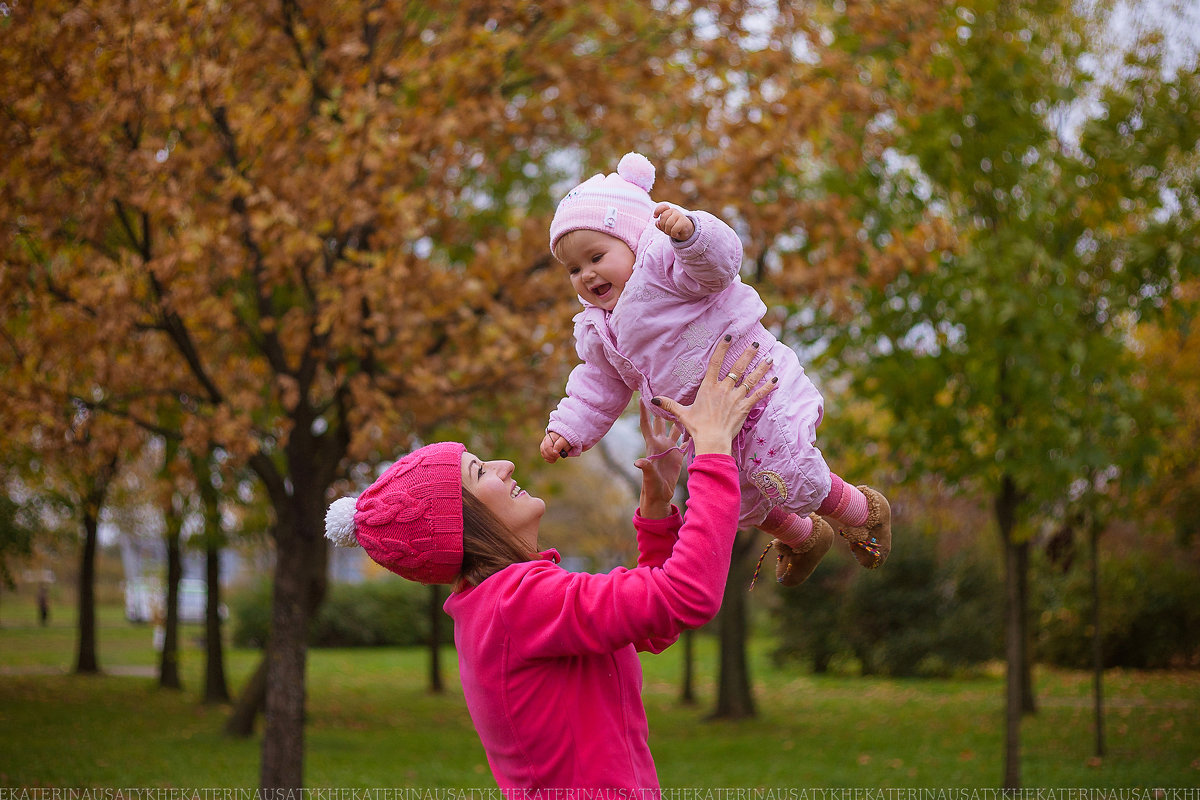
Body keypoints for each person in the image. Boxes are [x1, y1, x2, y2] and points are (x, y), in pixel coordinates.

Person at [326, 338, 773, 791]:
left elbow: (652, 624)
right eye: (480, 472)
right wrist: (714, 452)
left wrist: (657, 509)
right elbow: (687, 596)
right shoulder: (517, 602)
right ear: (462, 524)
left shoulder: (504, 601)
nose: (504, 465)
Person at [538, 151, 891, 585]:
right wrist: (569, 429)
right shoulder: (598, 330)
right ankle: (804, 537)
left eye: (596, 257)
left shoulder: (665, 268)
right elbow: (596, 386)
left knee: (788, 468)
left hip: (754, 386)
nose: (586, 275)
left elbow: (720, 267)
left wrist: (691, 234)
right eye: (573, 269)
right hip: (706, 421)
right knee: (735, 501)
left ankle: (863, 511)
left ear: (631, 239)